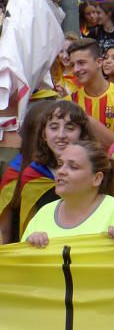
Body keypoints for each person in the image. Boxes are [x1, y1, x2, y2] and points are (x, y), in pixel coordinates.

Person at [23, 140, 114, 247]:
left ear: (97, 178)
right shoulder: (42, 215)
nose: (61, 171)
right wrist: (29, 247)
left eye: (73, 167)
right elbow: (21, 268)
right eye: (60, 164)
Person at [0, 102, 93, 243]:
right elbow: (24, 228)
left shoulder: (97, 170)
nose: (61, 135)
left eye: (70, 128)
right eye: (54, 127)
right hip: (45, 251)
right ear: (43, 134)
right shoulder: (32, 175)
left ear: (82, 133)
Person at [66, 38, 114, 147]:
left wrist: (88, 121)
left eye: (81, 63)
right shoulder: (70, 102)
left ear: (99, 62)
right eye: (73, 65)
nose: (75, 70)